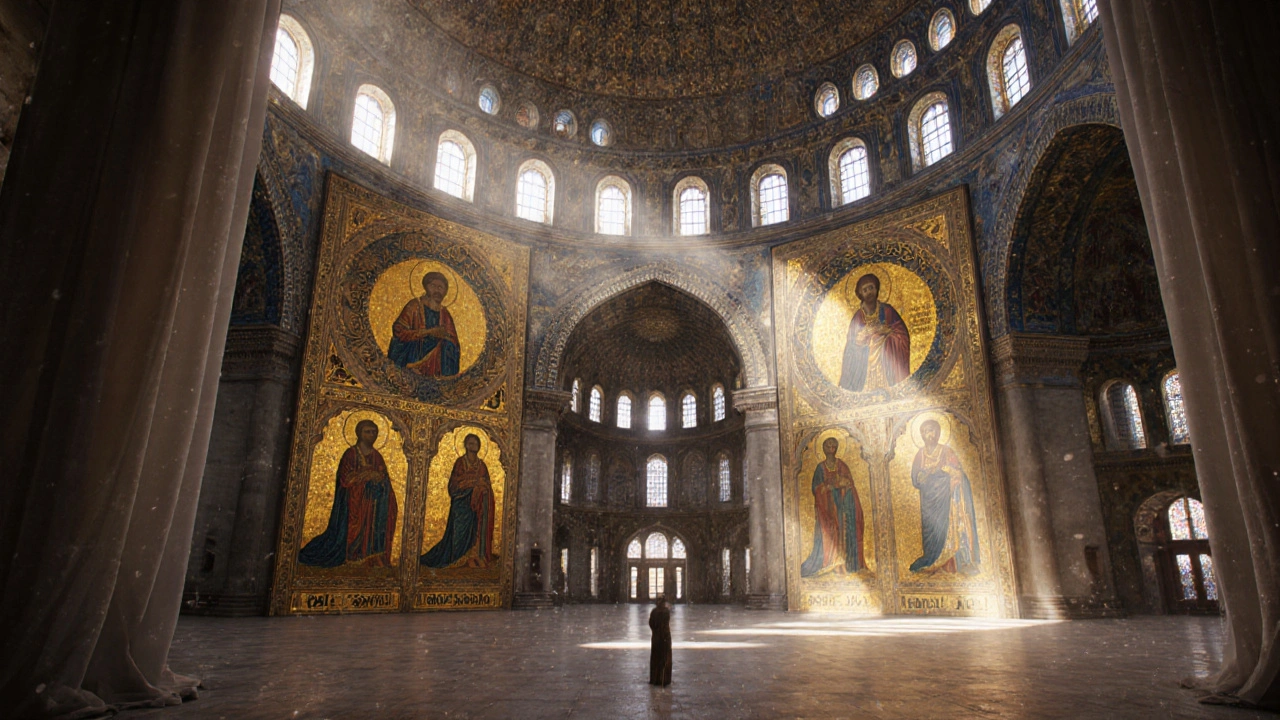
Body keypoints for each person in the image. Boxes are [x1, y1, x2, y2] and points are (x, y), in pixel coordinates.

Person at [299, 419, 398, 568]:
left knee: (371, 532)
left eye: (374, 432)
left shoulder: (377, 456)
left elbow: (385, 479)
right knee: (353, 531)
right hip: (353, 504)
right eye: (368, 432)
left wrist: (378, 479)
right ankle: (352, 557)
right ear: (359, 433)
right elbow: (344, 479)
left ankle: (371, 558)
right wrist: (363, 476)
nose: (372, 435)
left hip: (373, 505)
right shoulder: (351, 454)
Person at [908, 419, 981, 574]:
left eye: (933, 430)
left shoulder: (947, 452)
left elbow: (958, 472)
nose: (930, 434)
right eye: (926, 431)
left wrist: (944, 471)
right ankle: (931, 558)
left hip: (946, 498)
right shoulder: (920, 455)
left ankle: (952, 561)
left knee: (948, 526)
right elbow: (915, 479)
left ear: (938, 432)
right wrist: (925, 474)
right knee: (930, 529)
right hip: (928, 501)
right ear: (922, 434)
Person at [420, 433, 497, 569]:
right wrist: (473, 483)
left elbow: (487, 484)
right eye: (471, 443)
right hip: (462, 506)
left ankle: (474, 557)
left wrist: (481, 487)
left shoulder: (482, 465)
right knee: (458, 535)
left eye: (476, 443)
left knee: (476, 533)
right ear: (466, 445)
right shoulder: (461, 463)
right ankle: (456, 559)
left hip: (478, 507)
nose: (474, 446)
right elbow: (454, 486)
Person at [800, 437, 865, 576]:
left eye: (833, 445)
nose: (831, 447)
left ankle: (844, 563)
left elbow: (849, 483)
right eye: (828, 445)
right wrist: (829, 486)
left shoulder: (842, 465)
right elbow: (815, 489)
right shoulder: (820, 468)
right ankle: (830, 562)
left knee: (843, 533)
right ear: (823, 448)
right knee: (830, 533)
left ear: (837, 448)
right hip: (827, 509)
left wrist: (841, 484)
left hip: (842, 507)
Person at [838, 273, 910, 392]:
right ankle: (867, 386)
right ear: (860, 294)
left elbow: (901, 334)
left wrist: (885, 332)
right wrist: (861, 339)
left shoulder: (887, 310)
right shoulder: (857, 317)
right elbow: (851, 345)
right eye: (865, 290)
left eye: (871, 288)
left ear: (876, 289)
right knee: (872, 339)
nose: (869, 292)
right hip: (864, 360)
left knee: (877, 338)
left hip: (886, 356)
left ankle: (887, 384)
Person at [387, 271, 461, 377]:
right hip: (413, 353)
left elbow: (454, 341)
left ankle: (442, 376)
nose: (437, 291)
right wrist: (428, 332)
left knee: (447, 346)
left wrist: (446, 338)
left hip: (437, 360)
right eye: (433, 286)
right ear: (426, 287)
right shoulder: (414, 306)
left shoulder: (444, 314)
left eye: (441, 287)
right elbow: (399, 331)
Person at [648, 596, 672, 687]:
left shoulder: (654, 611)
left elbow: (651, 623)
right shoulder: (666, 612)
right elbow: (665, 624)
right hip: (665, 637)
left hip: (656, 637)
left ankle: (655, 678)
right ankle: (664, 679)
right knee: (665, 657)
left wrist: (655, 630)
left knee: (655, 657)